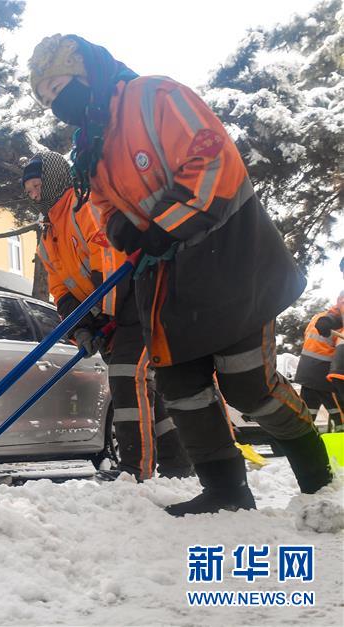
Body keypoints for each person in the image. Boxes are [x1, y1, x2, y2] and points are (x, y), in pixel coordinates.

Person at [27, 35, 332, 515]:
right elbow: (103, 210)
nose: (55, 104)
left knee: (249, 385)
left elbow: (214, 161)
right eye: (45, 100)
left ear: (86, 72)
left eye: (58, 88)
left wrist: (164, 225)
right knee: (182, 384)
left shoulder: (154, 97)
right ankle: (225, 488)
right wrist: (122, 228)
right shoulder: (93, 145)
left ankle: (317, 476)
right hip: (165, 280)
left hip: (225, 258)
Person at [24, 151, 192, 480]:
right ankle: (178, 464)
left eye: (36, 185)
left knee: (127, 377)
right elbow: (61, 289)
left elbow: (109, 262)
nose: (32, 194)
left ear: (55, 180)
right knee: (147, 390)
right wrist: (82, 328)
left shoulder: (83, 208)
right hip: (107, 317)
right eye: (28, 188)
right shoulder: (46, 235)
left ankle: (134, 471)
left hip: (135, 303)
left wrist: (104, 314)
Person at [294, 294, 343, 432]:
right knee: (340, 416)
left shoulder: (318, 317)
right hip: (327, 379)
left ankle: (305, 446)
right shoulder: (338, 325)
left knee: (307, 416)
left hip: (307, 373)